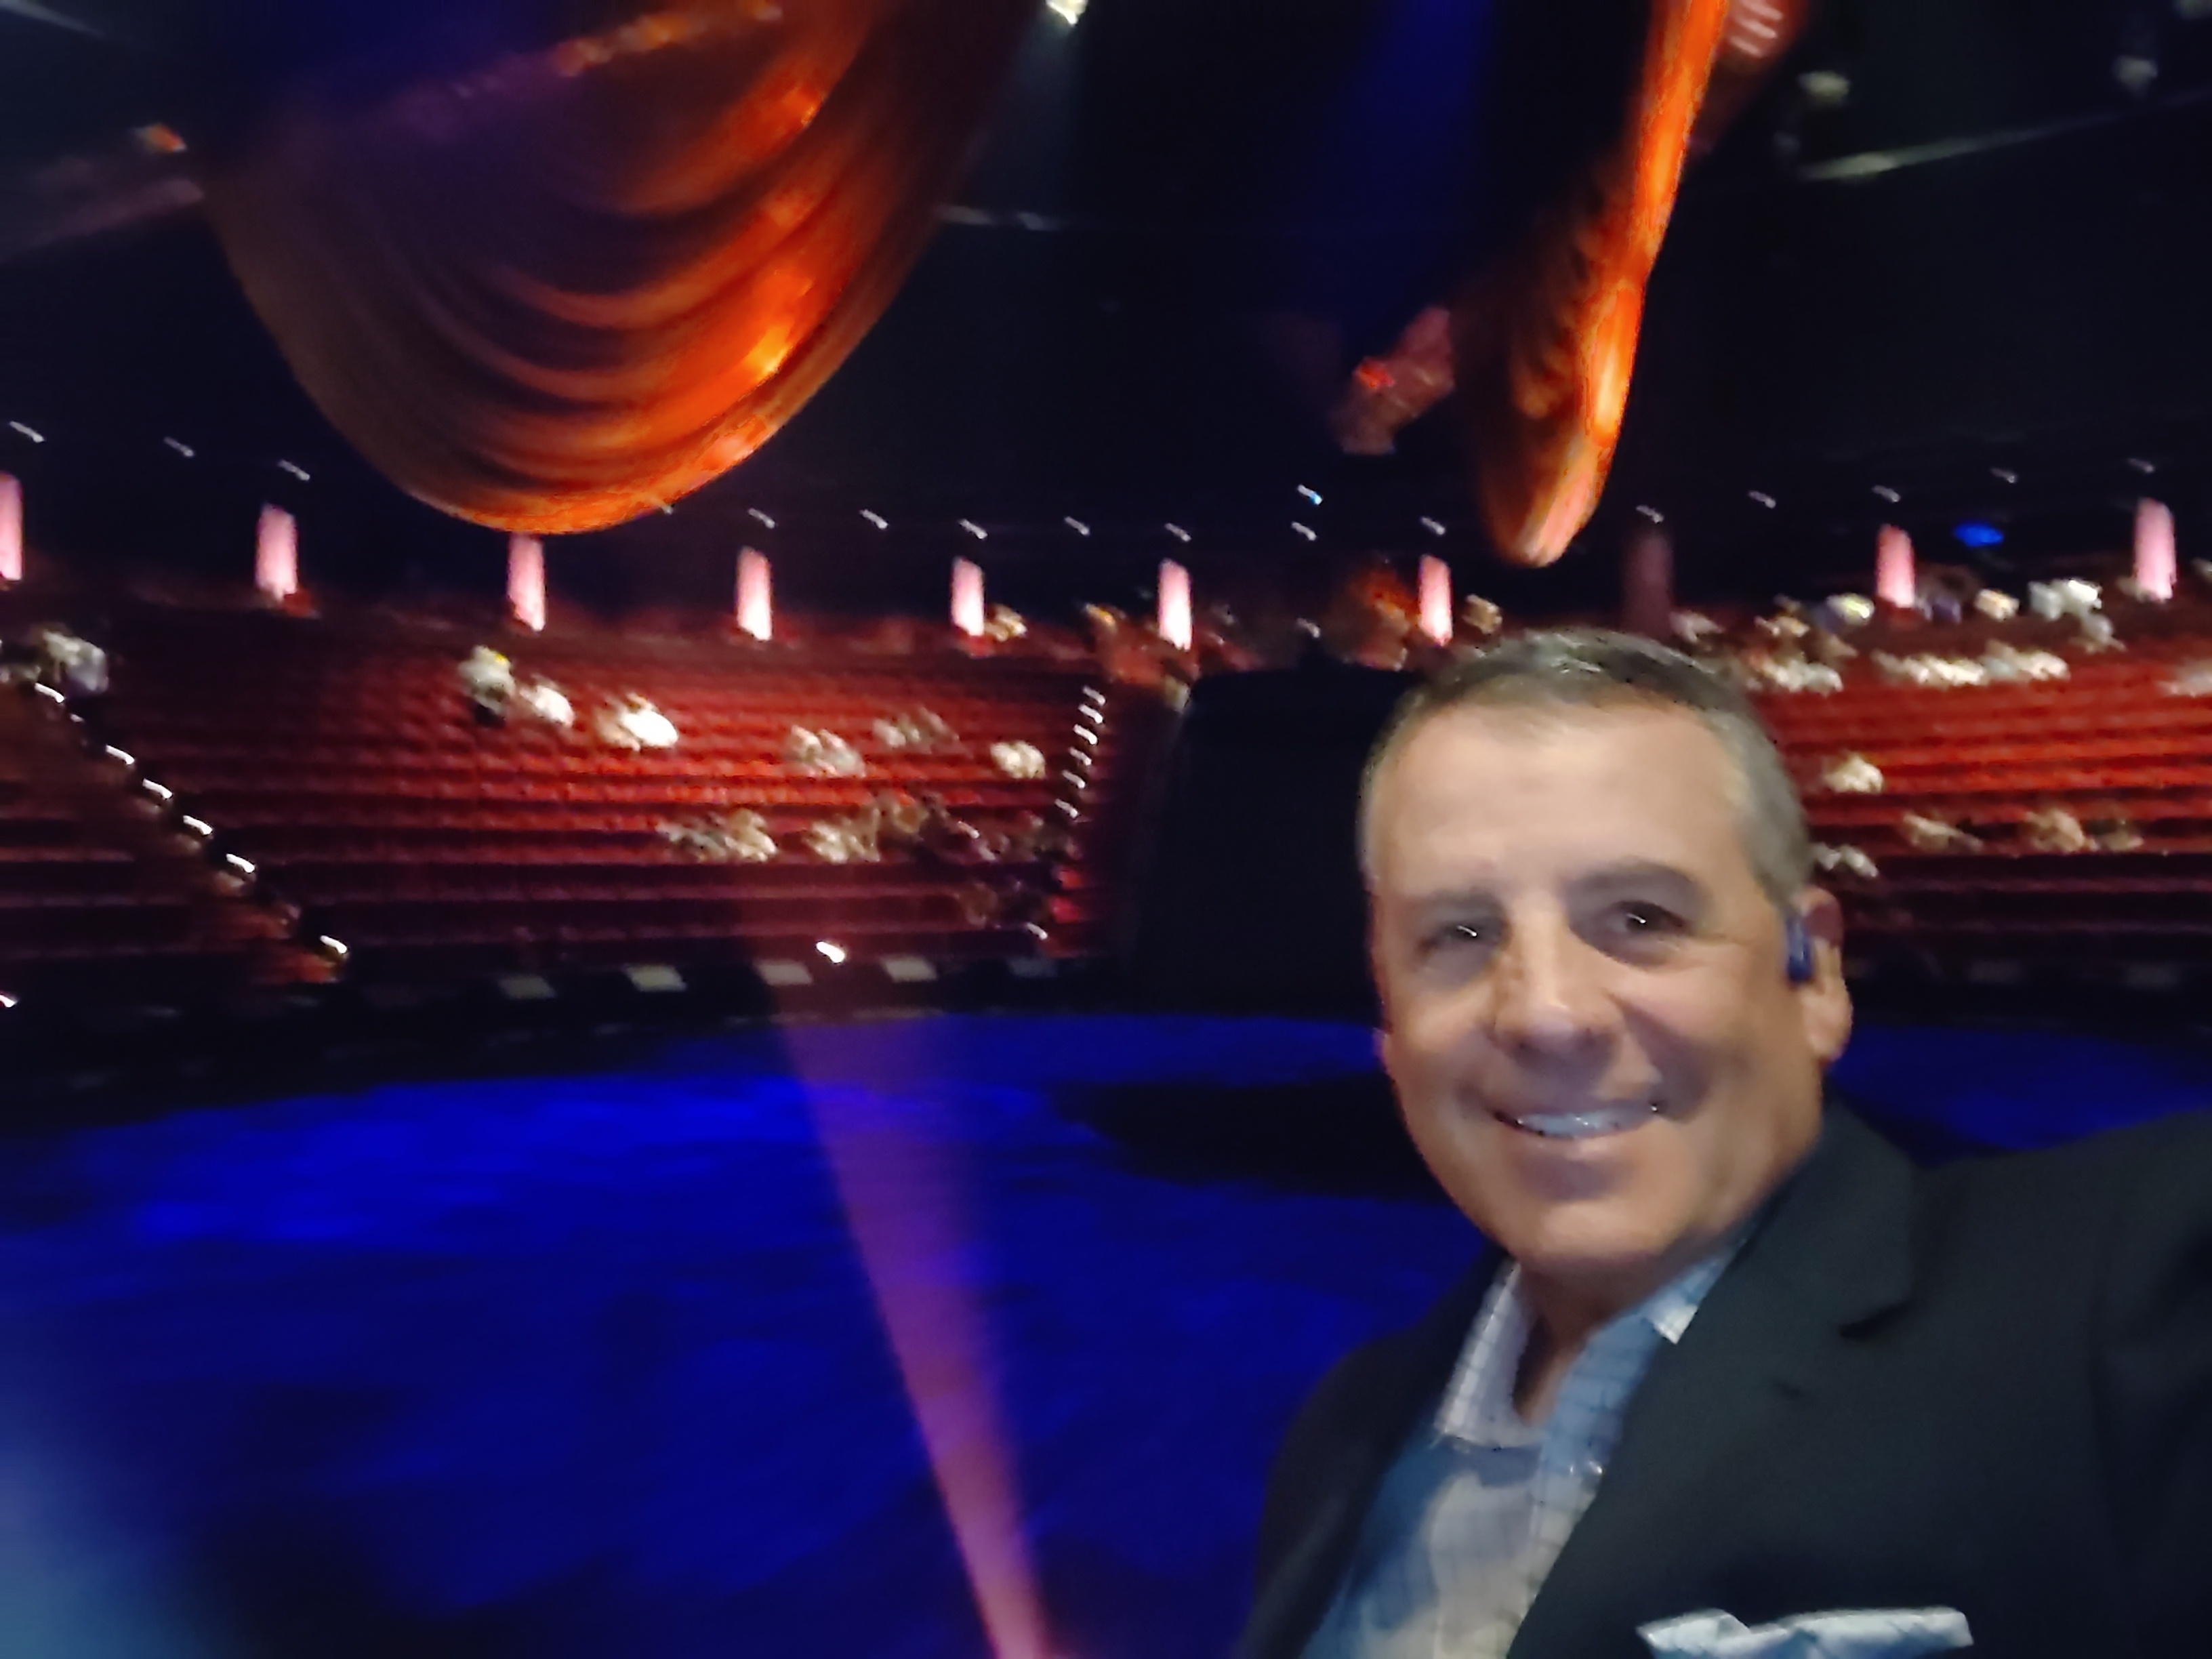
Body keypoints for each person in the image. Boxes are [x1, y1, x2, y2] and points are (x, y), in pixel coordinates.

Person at [1236, 630, 2212, 1659]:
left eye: (1640, 918)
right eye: (1461, 935)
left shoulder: (2122, 1301)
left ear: (1815, 976)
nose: (1547, 1013)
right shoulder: (1342, 1435)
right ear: (1389, 1024)